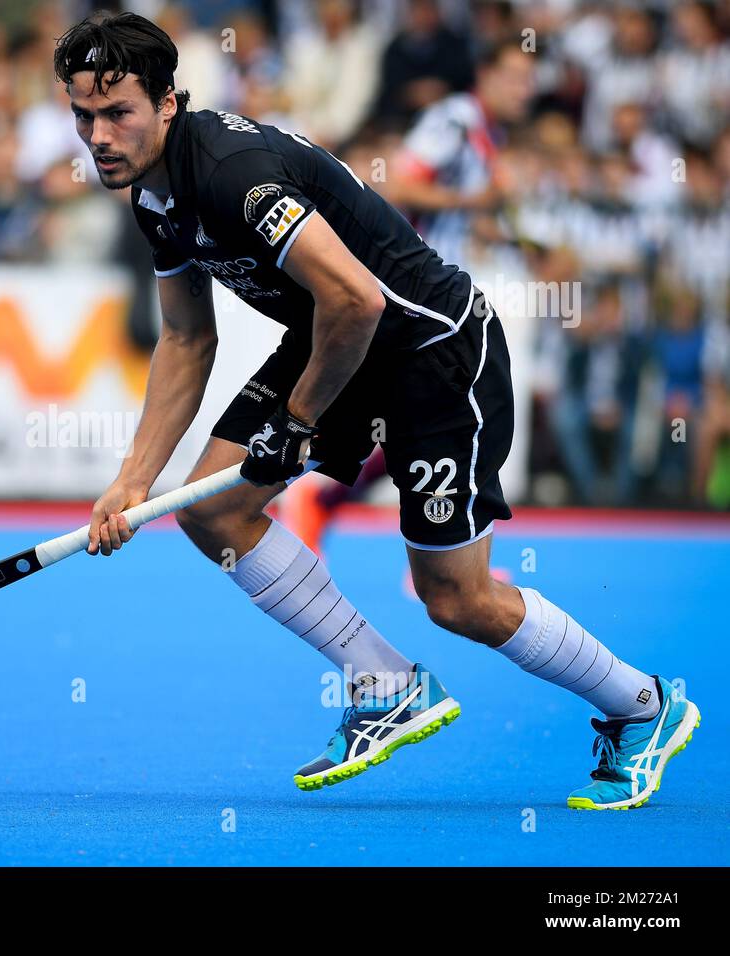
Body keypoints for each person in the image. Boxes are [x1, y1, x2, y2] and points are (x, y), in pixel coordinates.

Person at [56, 12, 699, 809]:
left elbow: (359, 297)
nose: (98, 135)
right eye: (83, 115)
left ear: (168, 103)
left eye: (117, 113)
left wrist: (297, 423)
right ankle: (383, 683)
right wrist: (131, 480)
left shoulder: (233, 174)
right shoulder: (152, 196)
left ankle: (643, 705)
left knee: (456, 598)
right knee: (215, 511)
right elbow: (188, 339)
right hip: (335, 337)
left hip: (431, 349)